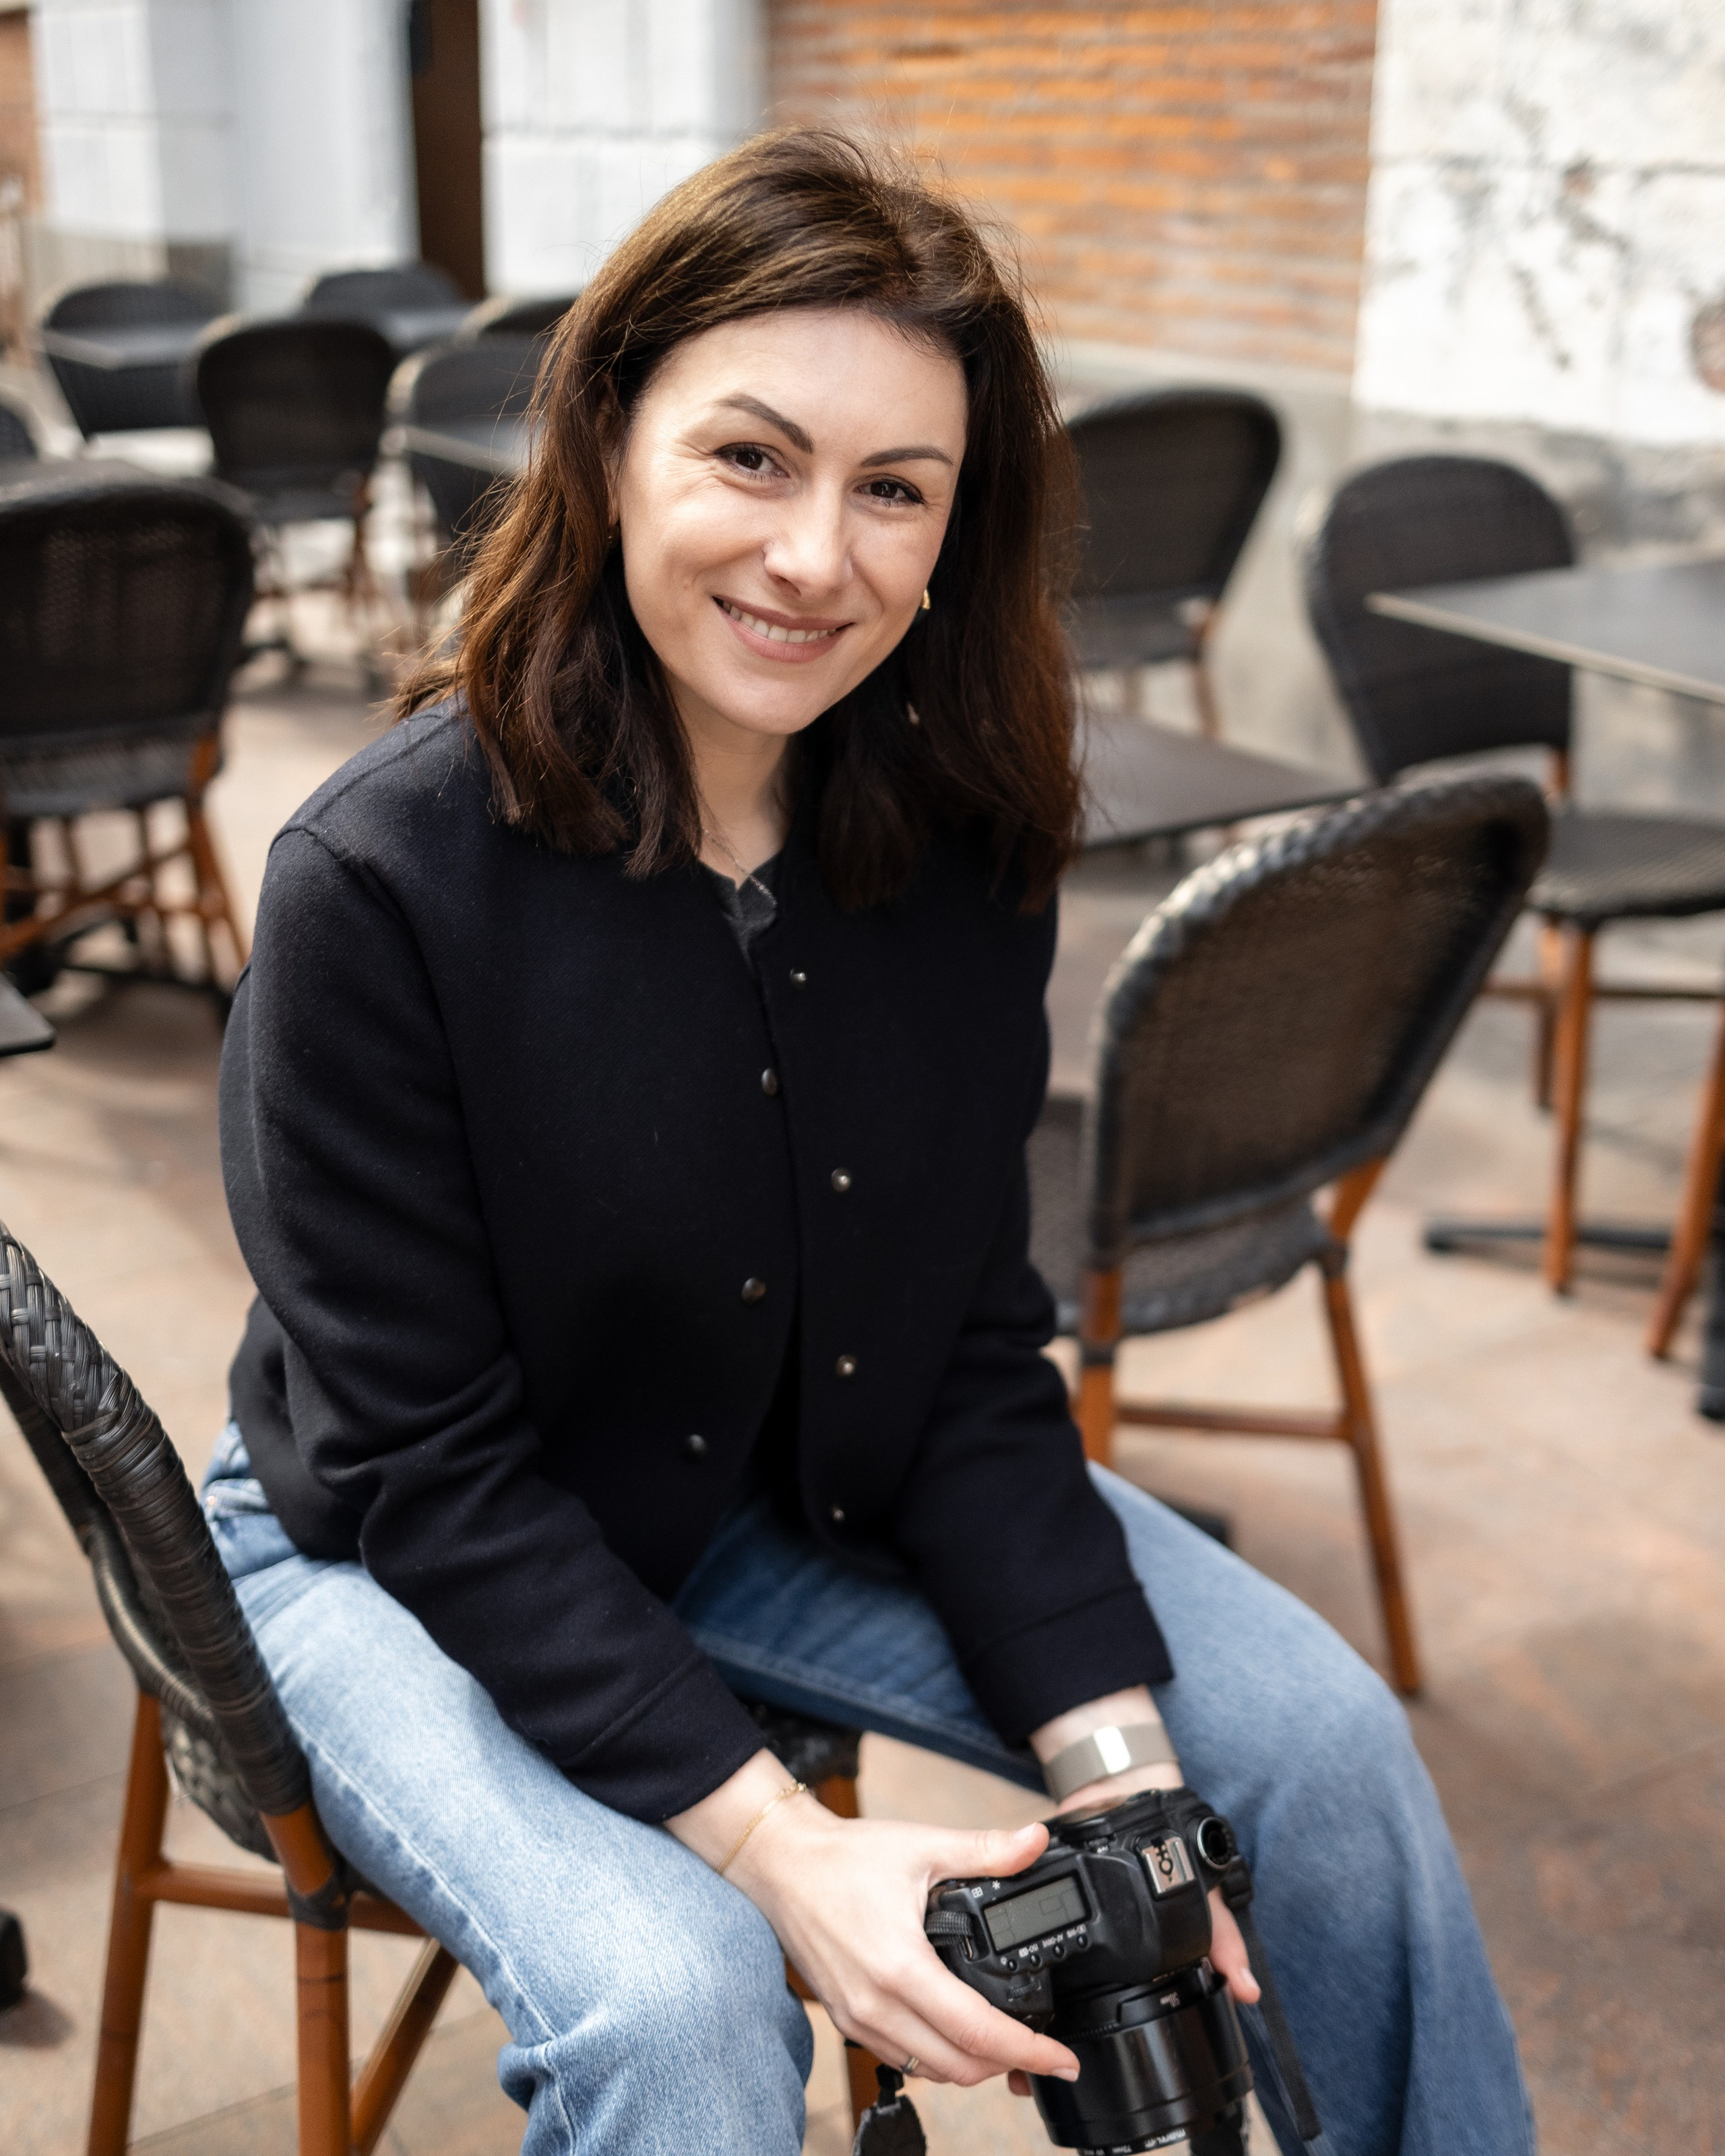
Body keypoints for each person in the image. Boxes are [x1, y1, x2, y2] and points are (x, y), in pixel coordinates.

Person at [208, 129, 1534, 2156]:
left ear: (950, 539)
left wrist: (1113, 1769)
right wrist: (774, 1852)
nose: (815, 556)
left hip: (784, 1474)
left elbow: (962, 1350)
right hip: (397, 1538)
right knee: (681, 1999)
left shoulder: (959, 845)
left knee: (1320, 1757)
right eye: (751, 458)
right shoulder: (377, 878)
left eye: (892, 491)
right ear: (612, 445)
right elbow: (422, 1466)